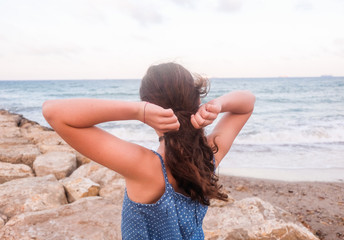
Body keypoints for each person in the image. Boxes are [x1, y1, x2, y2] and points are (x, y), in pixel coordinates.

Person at [42, 62, 255, 239]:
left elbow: (53, 112)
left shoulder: (145, 167)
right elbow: (247, 102)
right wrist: (217, 105)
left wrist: (137, 111)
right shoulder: (207, 156)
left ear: (150, 106)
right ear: (197, 101)